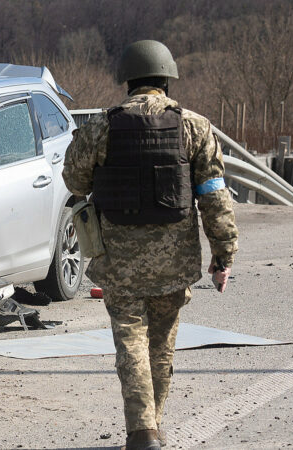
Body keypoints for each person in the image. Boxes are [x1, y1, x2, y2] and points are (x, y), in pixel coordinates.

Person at [62, 40, 239, 450]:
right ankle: (150, 429)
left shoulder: (101, 127)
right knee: (160, 346)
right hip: (174, 262)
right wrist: (223, 256)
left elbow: (75, 181)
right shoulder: (195, 126)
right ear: (166, 77)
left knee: (131, 343)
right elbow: (214, 195)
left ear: (127, 79)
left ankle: (142, 432)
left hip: (118, 261)